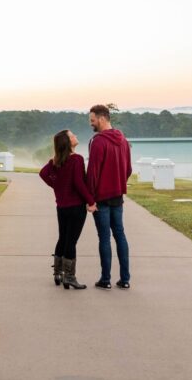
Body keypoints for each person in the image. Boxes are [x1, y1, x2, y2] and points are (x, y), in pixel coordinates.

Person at [39, 129, 95, 290]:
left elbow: (43, 174)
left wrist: (56, 186)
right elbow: (79, 183)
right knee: (71, 242)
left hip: (62, 207)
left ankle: (58, 273)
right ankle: (69, 277)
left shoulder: (55, 160)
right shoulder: (76, 159)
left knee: (62, 238)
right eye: (72, 135)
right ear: (67, 141)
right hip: (76, 207)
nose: (76, 136)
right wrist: (91, 201)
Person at [86, 104, 132, 290]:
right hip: (117, 196)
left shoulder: (98, 141)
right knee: (120, 235)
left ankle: (105, 280)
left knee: (104, 237)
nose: (91, 124)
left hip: (101, 199)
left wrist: (90, 199)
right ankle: (125, 279)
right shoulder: (123, 140)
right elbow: (128, 169)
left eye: (92, 120)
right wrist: (119, 183)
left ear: (102, 118)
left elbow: (93, 173)